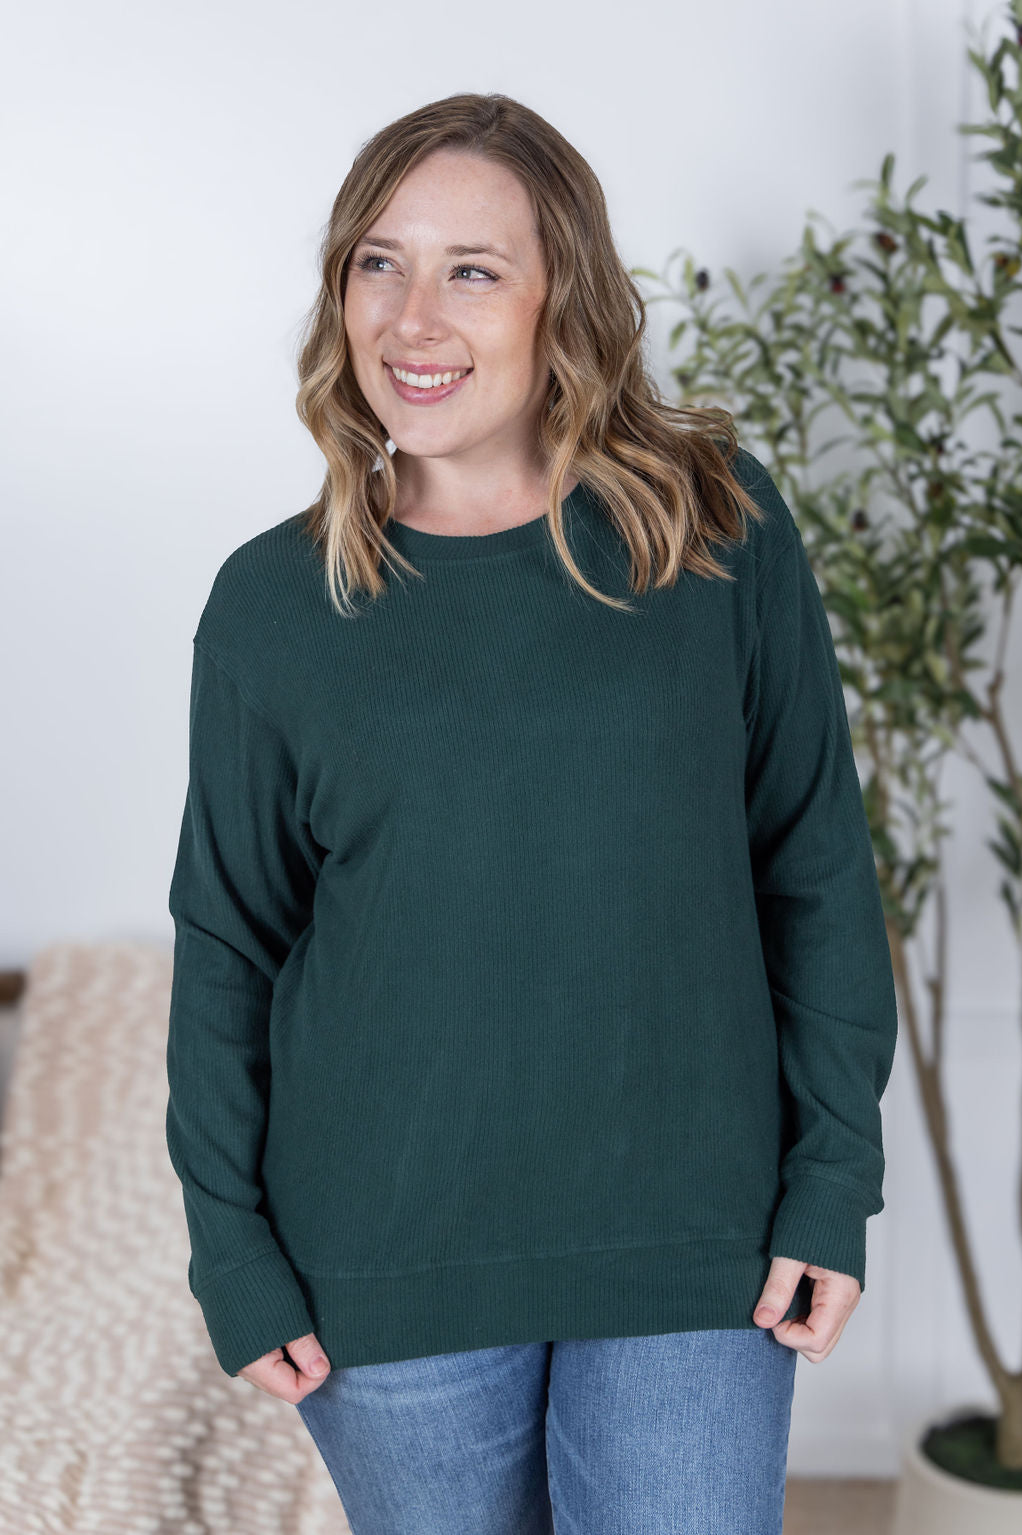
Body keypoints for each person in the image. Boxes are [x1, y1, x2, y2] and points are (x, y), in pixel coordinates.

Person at [165, 91, 899, 1534]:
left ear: (565, 296)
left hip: (692, 1241)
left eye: (473, 271)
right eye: (379, 263)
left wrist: (832, 1181)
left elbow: (812, 865)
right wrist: (230, 1252)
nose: (413, 319)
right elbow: (230, 944)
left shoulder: (714, 527)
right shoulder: (274, 603)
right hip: (387, 1261)